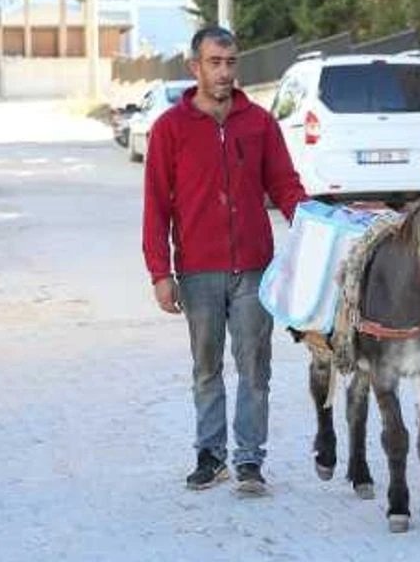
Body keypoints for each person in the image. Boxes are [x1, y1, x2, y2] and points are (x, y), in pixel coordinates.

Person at [142, 26, 308, 497]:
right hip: (198, 271)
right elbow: (156, 205)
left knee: (255, 366)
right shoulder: (170, 128)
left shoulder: (259, 123)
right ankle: (210, 456)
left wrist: (315, 229)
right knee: (206, 366)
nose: (224, 72)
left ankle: (250, 460)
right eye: (214, 62)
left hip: (255, 268)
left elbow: (285, 185)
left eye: (231, 62)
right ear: (195, 67)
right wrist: (160, 273)